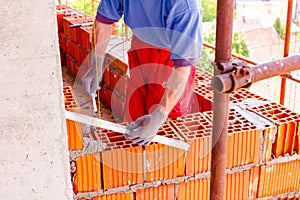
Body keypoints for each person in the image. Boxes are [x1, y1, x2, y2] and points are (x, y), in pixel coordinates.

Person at [81, 0, 203, 145]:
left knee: (164, 130)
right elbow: (103, 21)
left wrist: (159, 116)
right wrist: (97, 61)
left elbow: (182, 68)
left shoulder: (185, 6)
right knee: (133, 118)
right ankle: (134, 160)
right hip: (140, 44)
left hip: (172, 58)